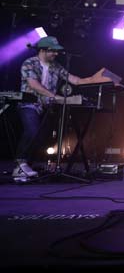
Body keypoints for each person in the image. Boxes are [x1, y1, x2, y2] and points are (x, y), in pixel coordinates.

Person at [13, 36, 109, 181]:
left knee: (41, 137)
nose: (56, 54)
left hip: (46, 106)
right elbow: (33, 85)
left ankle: (27, 165)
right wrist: (55, 96)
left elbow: (76, 80)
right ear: (43, 50)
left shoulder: (55, 66)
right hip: (29, 104)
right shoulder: (29, 63)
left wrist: (95, 78)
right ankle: (20, 165)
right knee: (32, 130)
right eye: (53, 51)